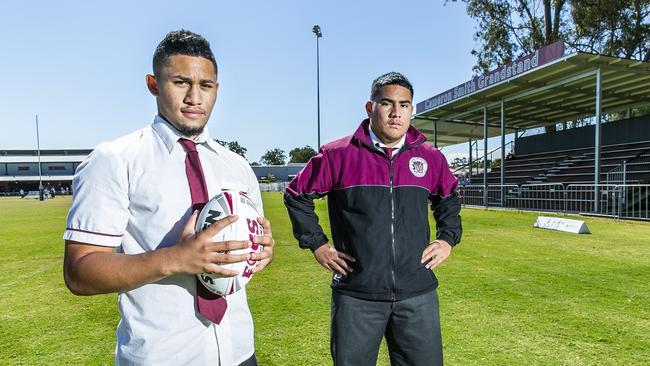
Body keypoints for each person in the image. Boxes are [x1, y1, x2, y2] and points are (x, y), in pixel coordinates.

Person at [63, 30, 274, 366]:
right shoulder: (115, 159)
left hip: (239, 350)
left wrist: (261, 250)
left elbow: (250, 245)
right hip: (163, 356)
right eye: (180, 82)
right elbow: (80, 272)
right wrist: (177, 258)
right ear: (153, 84)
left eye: (205, 85)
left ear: (216, 89)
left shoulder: (236, 165)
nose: (195, 97)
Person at [284, 72, 462, 366]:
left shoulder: (430, 157)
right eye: (387, 104)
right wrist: (318, 244)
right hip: (356, 295)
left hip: (416, 294)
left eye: (404, 105)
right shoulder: (337, 154)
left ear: (411, 110)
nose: (396, 113)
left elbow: (450, 198)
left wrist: (446, 239)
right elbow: (296, 194)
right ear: (370, 108)